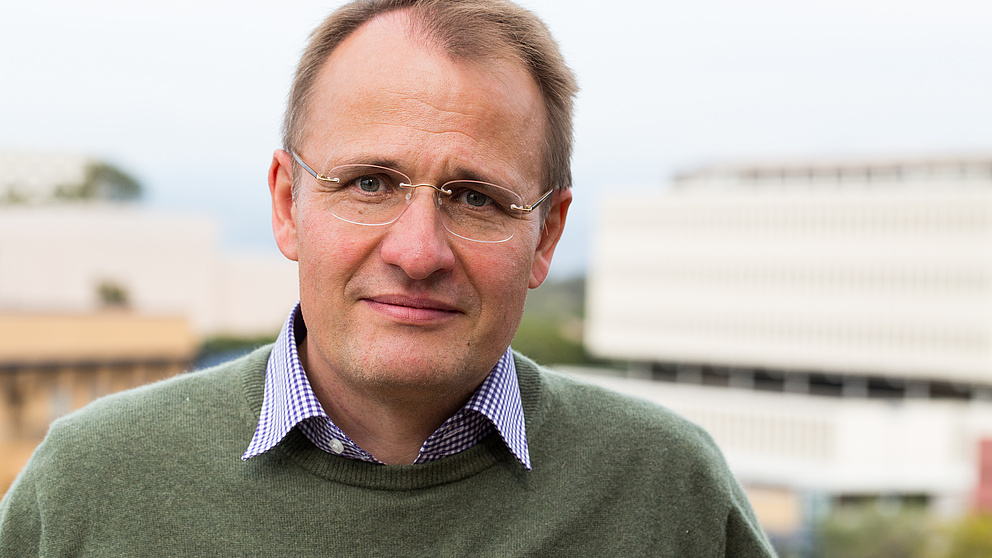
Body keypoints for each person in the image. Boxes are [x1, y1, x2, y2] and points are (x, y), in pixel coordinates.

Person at [0, 0, 777, 555]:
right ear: (287, 204)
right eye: (370, 183)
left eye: (476, 198)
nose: (417, 251)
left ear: (546, 234)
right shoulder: (88, 486)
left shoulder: (666, 493)